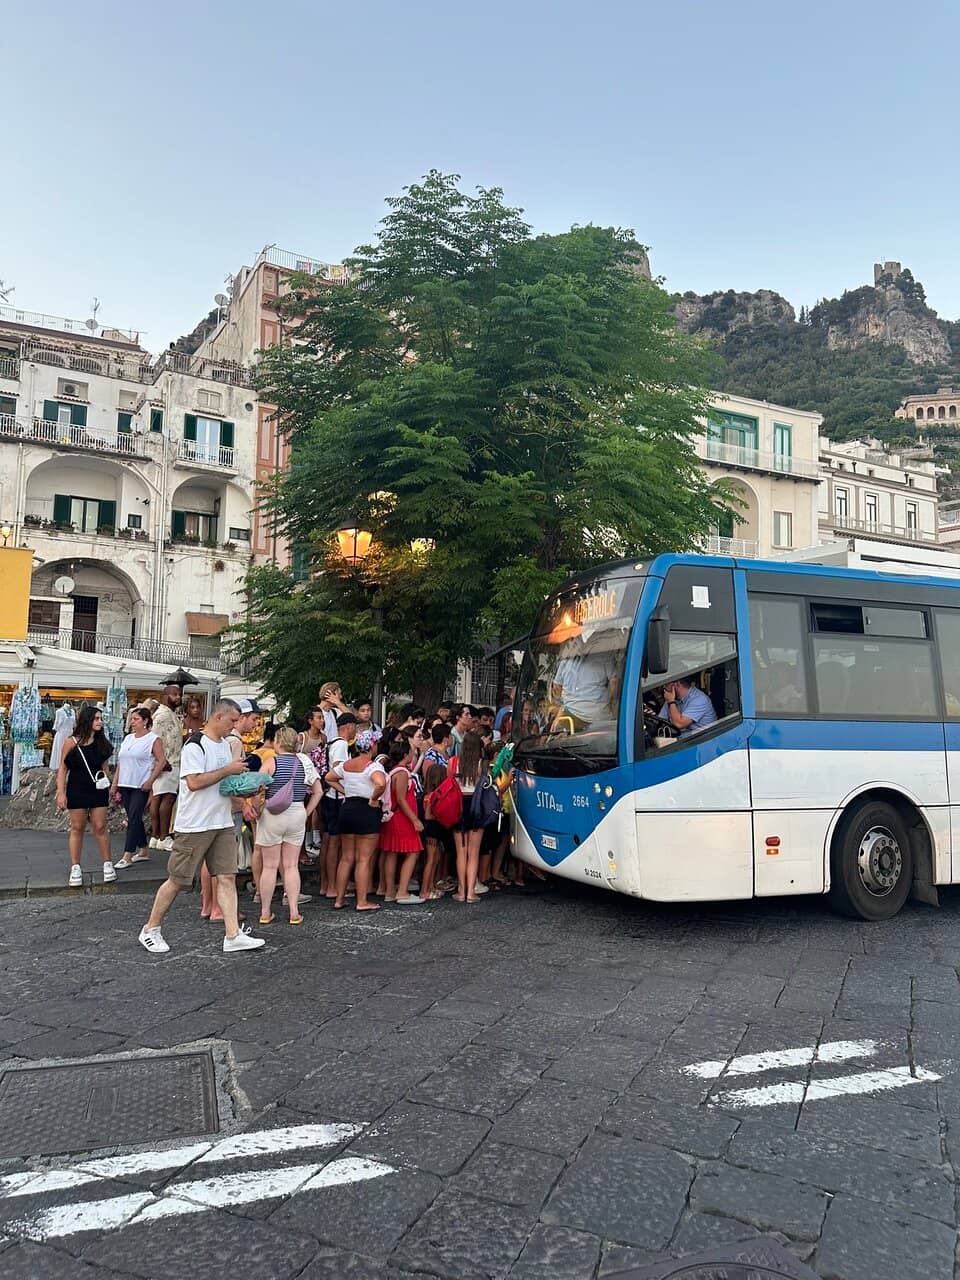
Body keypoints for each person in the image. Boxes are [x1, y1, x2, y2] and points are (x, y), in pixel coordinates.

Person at [138, 699, 264, 955]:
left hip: (221, 821)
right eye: (232, 720)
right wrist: (227, 770)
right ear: (218, 717)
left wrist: (246, 791)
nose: (235, 725)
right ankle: (151, 928)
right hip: (195, 824)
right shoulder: (195, 744)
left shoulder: (223, 746)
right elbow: (194, 782)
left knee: (227, 876)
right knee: (178, 879)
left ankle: (232, 934)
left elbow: (224, 786)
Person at [251, 726, 322, 925]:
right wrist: (306, 812)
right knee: (291, 866)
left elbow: (256, 790)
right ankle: (294, 911)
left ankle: (265, 912)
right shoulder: (304, 763)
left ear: (278, 742)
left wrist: (257, 810)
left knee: (270, 866)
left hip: (272, 815)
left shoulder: (270, 763)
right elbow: (318, 791)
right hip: (297, 812)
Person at [325, 728, 386, 912]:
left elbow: (329, 777)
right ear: (372, 746)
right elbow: (381, 783)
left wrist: (345, 791)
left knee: (346, 857)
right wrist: (374, 798)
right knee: (363, 859)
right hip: (366, 810)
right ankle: (362, 901)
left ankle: (339, 898)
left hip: (347, 808)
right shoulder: (373, 766)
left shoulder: (347, 765)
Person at [57, 706, 116, 887]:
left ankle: (107, 863)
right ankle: (76, 866)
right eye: (96, 718)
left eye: (101, 719)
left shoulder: (102, 743)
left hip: (97, 789)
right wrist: (61, 792)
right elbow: (62, 768)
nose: (100, 722)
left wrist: (108, 784)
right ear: (88, 720)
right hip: (77, 788)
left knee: (100, 826)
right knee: (77, 827)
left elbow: (105, 767)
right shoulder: (71, 742)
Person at [114, 707, 166, 868]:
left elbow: (161, 760)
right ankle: (143, 849)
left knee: (133, 817)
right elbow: (121, 762)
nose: (132, 722)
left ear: (145, 721)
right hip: (125, 782)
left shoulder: (153, 739)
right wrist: (115, 783)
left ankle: (127, 854)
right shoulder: (128, 738)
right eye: (132, 719)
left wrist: (151, 780)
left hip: (140, 784)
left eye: (136, 719)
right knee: (133, 816)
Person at [379, 738, 425, 905]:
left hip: (392, 815)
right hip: (402, 817)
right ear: (405, 755)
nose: (413, 755)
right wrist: (415, 819)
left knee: (391, 851)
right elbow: (401, 798)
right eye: (411, 753)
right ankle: (402, 890)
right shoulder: (402, 772)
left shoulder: (393, 771)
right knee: (413, 850)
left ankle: (390, 890)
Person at [321, 711, 357, 898]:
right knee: (335, 843)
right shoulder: (342, 744)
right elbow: (338, 770)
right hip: (336, 797)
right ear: (349, 726)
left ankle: (325, 884)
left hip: (328, 796)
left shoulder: (332, 742)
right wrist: (347, 791)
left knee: (327, 841)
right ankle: (333, 887)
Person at [450, 729, 485, 903]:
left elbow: (450, 784)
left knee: (460, 852)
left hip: (458, 805)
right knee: (474, 852)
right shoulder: (480, 765)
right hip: (476, 805)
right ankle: (471, 892)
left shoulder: (454, 762)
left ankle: (461, 890)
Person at [150, 684, 183, 853]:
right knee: (167, 799)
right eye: (175, 694)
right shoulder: (162, 715)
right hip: (169, 763)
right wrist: (162, 760)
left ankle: (156, 837)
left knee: (160, 798)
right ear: (165, 696)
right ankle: (163, 837)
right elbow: (154, 739)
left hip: (169, 762)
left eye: (179, 695)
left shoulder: (169, 714)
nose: (178, 697)